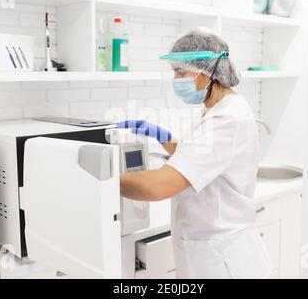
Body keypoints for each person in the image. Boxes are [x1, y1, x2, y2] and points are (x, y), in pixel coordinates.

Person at [117, 28, 273, 279]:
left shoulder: (226, 120)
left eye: (180, 72)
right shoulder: (221, 109)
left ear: (207, 72)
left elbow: (160, 186)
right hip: (212, 248)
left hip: (223, 257)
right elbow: (202, 160)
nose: (176, 80)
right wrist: (164, 137)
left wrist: (104, 180)